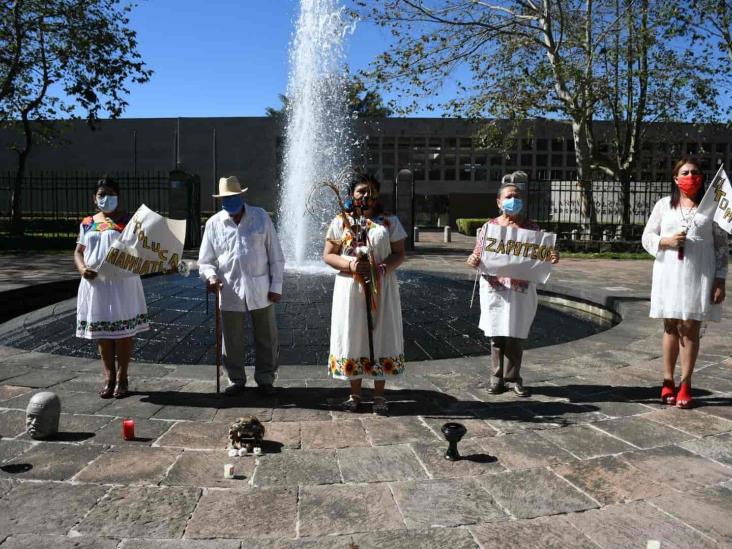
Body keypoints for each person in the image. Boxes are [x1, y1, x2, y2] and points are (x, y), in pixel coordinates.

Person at [642, 157, 727, 408]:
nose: (690, 176)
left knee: (690, 327)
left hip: (698, 275)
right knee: (671, 326)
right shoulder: (664, 205)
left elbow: (722, 248)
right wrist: (665, 242)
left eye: (695, 172)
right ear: (676, 178)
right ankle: (667, 379)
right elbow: (648, 235)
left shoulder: (711, 208)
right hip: (669, 273)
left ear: (702, 178)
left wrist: (720, 280)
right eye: (685, 172)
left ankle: (686, 383)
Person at [467, 172, 559, 397]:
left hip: (520, 290)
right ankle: (496, 378)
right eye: (508, 196)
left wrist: (552, 256)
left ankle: (513, 378)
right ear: (499, 202)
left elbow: (543, 255)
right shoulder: (489, 228)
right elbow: (478, 254)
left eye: (517, 196)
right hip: (495, 288)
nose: (513, 200)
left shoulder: (532, 230)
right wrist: (472, 259)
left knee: (516, 334)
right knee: (497, 334)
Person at [323, 173, 407, 414]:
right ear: (352, 194)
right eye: (361, 191)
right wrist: (350, 265)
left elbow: (399, 253)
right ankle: (355, 393)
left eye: (371, 191)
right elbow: (329, 254)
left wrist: (380, 269)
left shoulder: (389, 222)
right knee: (353, 333)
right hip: (350, 287)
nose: (366, 195)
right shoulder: (341, 221)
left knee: (381, 333)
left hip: (381, 286)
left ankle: (380, 395)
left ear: (377, 195)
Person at [198, 176, 285, 396]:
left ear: (241, 196)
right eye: (225, 198)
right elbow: (205, 261)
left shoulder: (260, 216)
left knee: (266, 336)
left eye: (233, 197)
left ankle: (266, 379)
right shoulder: (214, 224)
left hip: (261, 287)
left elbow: (276, 255)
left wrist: (277, 285)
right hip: (229, 289)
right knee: (232, 338)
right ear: (220, 200)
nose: (230, 201)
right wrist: (210, 276)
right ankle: (236, 379)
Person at [74, 177, 149, 399]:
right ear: (94, 198)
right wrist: (82, 268)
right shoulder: (88, 222)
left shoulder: (130, 221)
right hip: (96, 284)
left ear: (118, 196)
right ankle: (109, 378)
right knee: (103, 334)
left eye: (110, 194)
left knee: (123, 333)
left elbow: (144, 250)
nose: (105, 198)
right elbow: (78, 251)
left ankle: (123, 377)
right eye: (101, 194)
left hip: (123, 283)